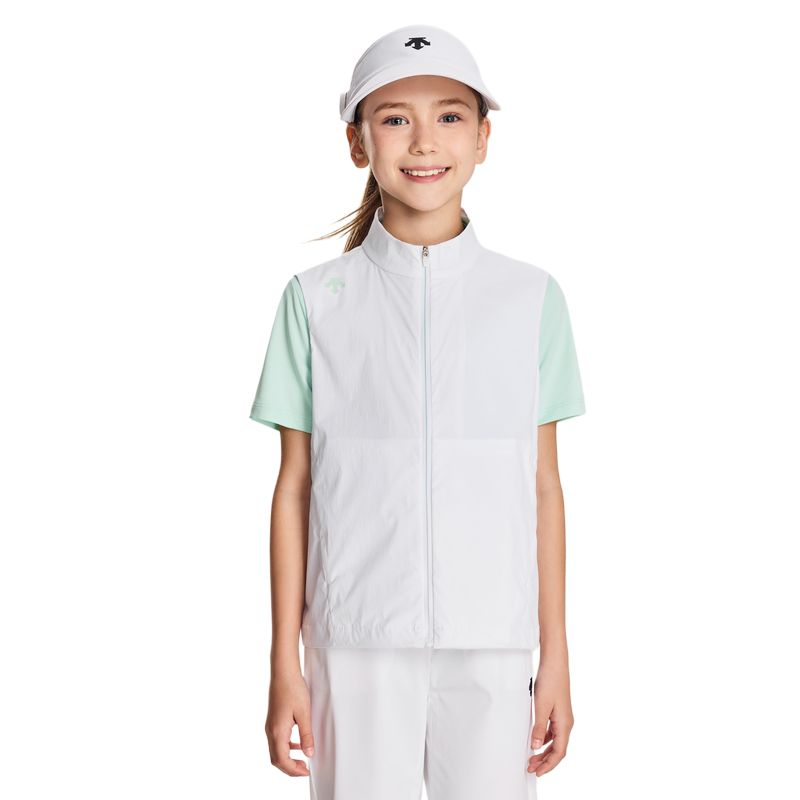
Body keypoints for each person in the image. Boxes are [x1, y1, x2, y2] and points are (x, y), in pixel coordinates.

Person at [249, 23, 586, 800]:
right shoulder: (315, 302)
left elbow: (543, 486)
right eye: (396, 117)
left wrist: (557, 654)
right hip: (355, 640)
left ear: (484, 138)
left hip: (494, 641)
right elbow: (294, 488)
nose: (425, 140)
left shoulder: (531, 299)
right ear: (357, 142)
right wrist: (283, 663)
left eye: (450, 116)